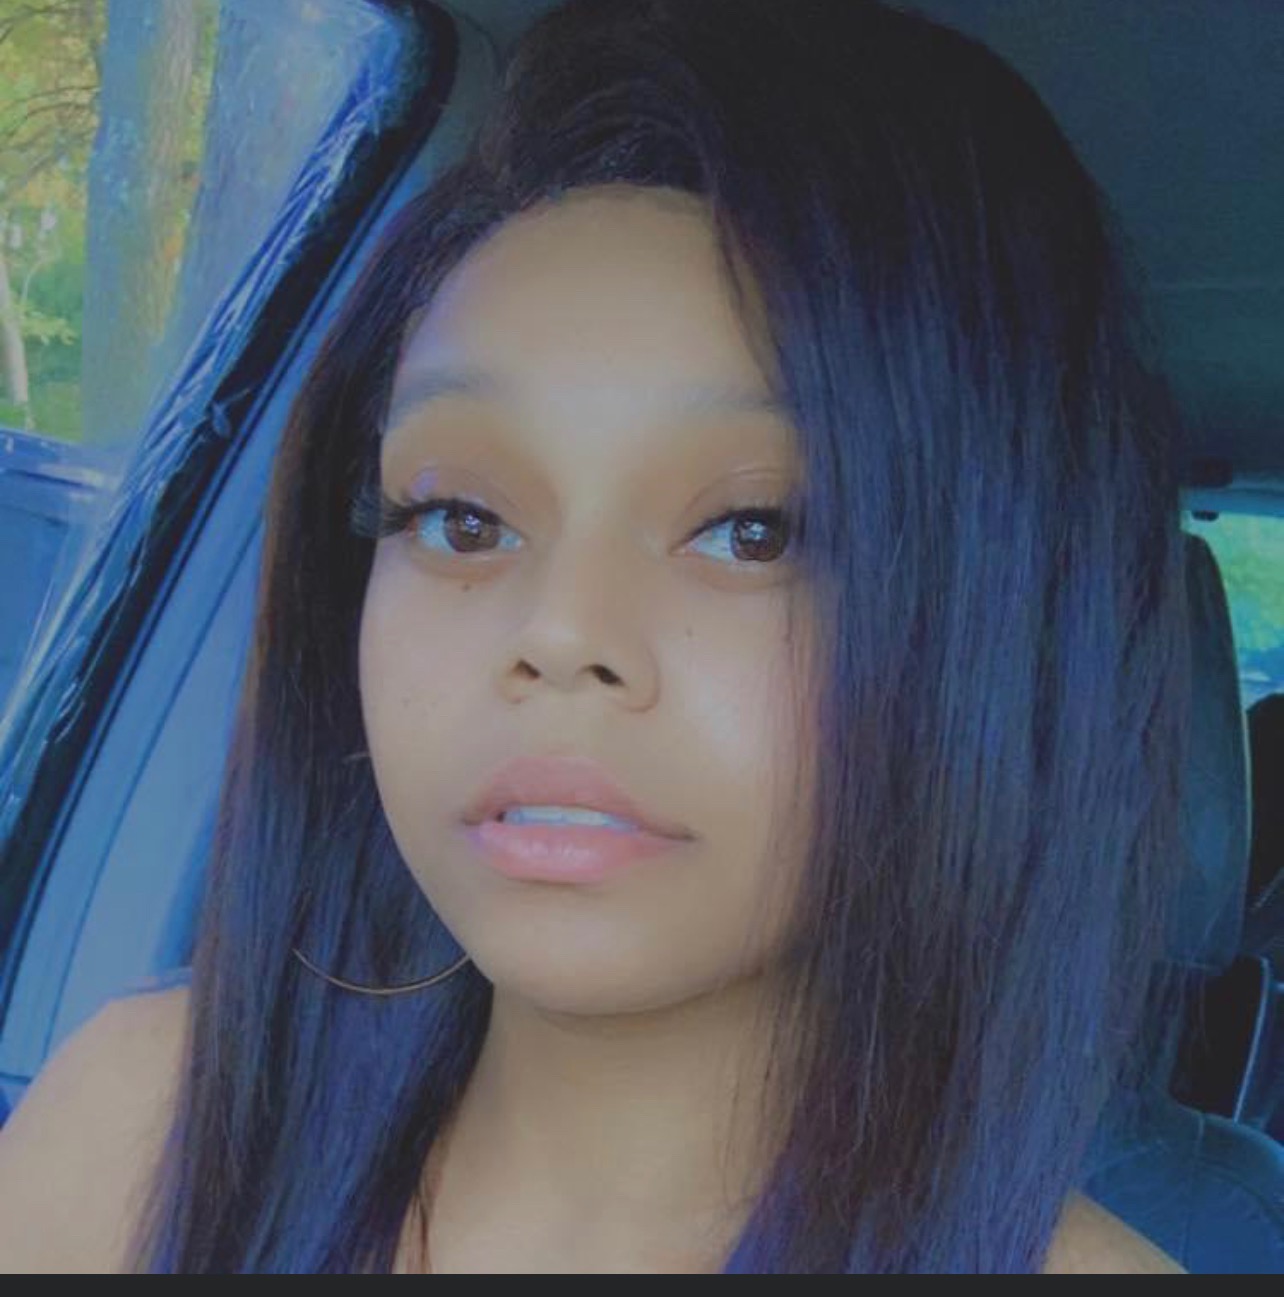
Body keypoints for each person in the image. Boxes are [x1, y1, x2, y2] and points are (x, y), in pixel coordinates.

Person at [0, 0, 1193, 1272]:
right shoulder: (134, 1129)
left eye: (755, 531)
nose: (559, 631)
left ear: (993, 635)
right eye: (461, 519)